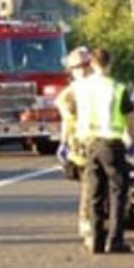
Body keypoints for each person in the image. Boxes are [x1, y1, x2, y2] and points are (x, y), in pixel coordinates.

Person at [67, 46, 134, 254]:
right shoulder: (117, 88)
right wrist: (132, 142)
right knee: (117, 193)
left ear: (91, 64)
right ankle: (115, 240)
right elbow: (130, 119)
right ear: (110, 64)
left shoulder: (80, 88)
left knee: (95, 193)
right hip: (112, 144)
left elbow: (71, 112)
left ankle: (96, 240)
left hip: (89, 144)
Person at [56, 46, 97, 243]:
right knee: (89, 185)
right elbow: (67, 121)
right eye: (79, 66)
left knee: (98, 185)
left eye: (87, 65)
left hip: (103, 141)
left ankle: (95, 221)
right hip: (81, 145)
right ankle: (87, 222)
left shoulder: (101, 87)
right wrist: (63, 143)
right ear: (71, 71)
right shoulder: (68, 95)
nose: (84, 69)